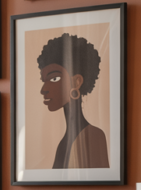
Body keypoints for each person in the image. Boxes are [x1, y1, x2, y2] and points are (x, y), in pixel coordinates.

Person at [37, 33, 109, 169]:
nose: (43, 89)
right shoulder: (62, 143)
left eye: (54, 79)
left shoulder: (94, 136)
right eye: (44, 81)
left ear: (76, 82)